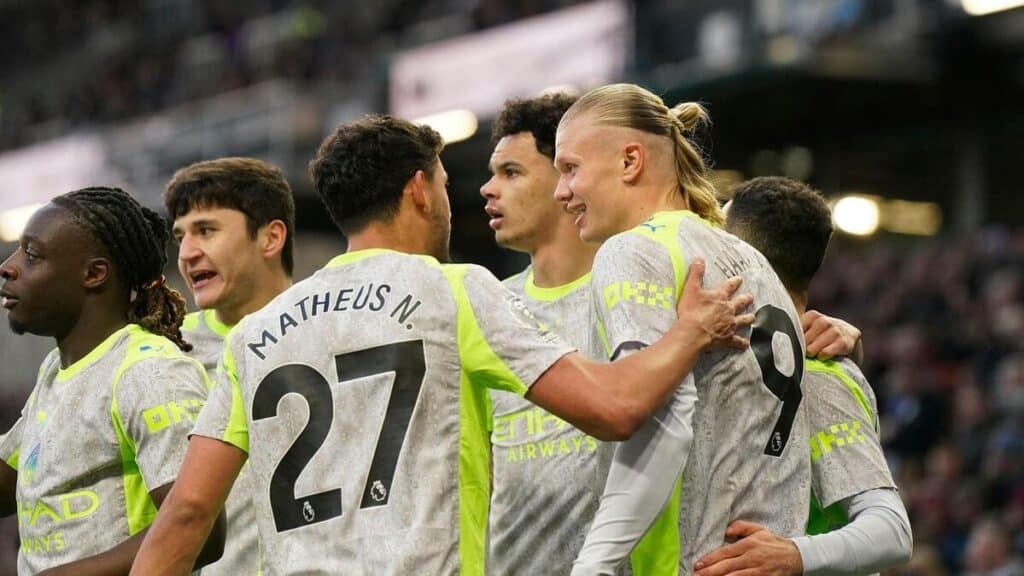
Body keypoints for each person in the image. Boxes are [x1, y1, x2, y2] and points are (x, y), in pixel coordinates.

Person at [131, 114, 755, 575]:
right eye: (446, 182)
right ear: (420, 191)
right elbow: (615, 409)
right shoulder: (451, 291)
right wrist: (690, 330)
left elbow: (186, 513)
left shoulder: (257, 333)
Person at [554, 84, 810, 575]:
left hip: (691, 561)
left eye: (570, 168)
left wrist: (594, 565)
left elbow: (660, 421)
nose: (560, 191)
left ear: (630, 161)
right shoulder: (753, 261)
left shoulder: (634, 251)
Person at [482, 93, 675, 574]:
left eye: (511, 172)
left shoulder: (642, 291)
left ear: (567, 175)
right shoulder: (486, 307)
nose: (487, 188)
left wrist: (823, 333)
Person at [690, 176, 913, 575]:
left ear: (740, 257)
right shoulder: (757, 361)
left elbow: (891, 530)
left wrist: (793, 555)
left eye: (717, 240)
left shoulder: (814, 377)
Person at [0, 187, 222, 575]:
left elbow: (199, 528)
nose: (9, 266)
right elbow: (11, 482)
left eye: (32, 255)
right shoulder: (58, 369)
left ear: (93, 274)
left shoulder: (148, 372)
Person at [165, 157, 296, 575]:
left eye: (206, 230)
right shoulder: (164, 353)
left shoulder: (330, 327)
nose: (186, 253)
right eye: (180, 236)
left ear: (271, 238)